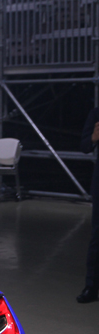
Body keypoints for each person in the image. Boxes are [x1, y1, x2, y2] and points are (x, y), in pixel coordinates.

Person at [79, 106, 99, 303]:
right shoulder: (96, 113)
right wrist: (93, 138)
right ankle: (91, 287)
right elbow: (84, 145)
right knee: (97, 238)